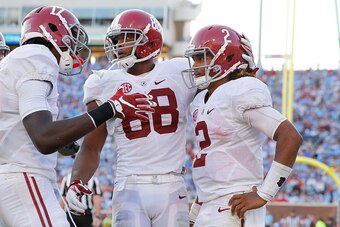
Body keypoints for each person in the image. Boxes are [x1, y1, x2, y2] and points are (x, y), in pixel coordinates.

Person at [0, 5, 155, 227]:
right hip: (24, 176)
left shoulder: (15, 62)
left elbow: (24, 126)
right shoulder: (37, 55)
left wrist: (63, 143)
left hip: (14, 176)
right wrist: (110, 107)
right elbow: (43, 137)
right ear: (53, 31)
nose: (74, 45)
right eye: (71, 37)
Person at [66, 9, 197, 227]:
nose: (117, 44)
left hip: (173, 183)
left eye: (125, 37)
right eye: (116, 38)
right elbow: (91, 146)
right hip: (130, 184)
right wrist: (77, 181)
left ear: (148, 41)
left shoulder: (179, 71)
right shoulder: (103, 82)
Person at [182, 24, 303, 226]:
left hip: (234, 202)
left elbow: (290, 136)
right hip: (211, 203)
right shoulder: (201, 99)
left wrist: (264, 194)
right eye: (194, 58)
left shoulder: (238, 92)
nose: (195, 65)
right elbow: (215, 158)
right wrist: (197, 208)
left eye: (203, 57)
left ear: (228, 58)